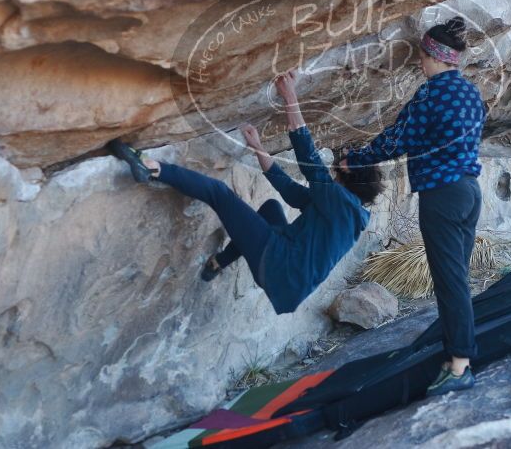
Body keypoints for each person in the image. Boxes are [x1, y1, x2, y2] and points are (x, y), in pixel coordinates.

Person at [108, 70, 384, 315]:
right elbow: (289, 191)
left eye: (338, 172)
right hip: (289, 283)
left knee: (220, 193)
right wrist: (258, 148)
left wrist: (290, 97)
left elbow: (309, 161)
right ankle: (218, 263)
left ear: (349, 181)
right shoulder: (343, 212)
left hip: (280, 267)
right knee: (272, 209)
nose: (333, 174)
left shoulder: (341, 203)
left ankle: (150, 167)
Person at [340, 16, 486, 396]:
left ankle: (459, 368)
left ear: (433, 56)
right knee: (458, 279)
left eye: (421, 56)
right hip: (470, 192)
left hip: (442, 196)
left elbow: (395, 140)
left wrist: (354, 160)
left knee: (450, 283)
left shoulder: (431, 94)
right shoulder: (472, 94)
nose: (420, 64)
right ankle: (459, 353)